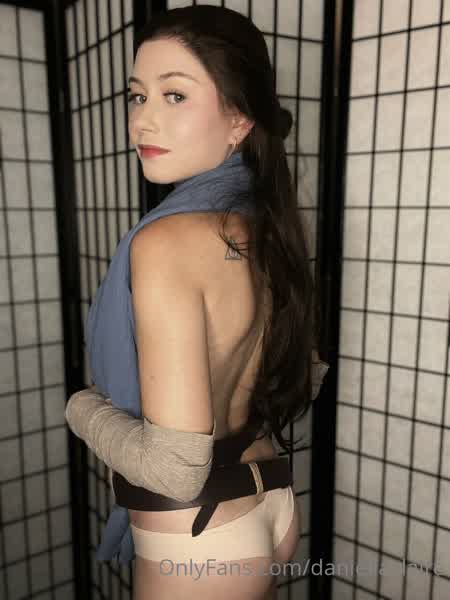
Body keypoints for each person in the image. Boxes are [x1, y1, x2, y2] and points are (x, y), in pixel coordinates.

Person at [65, 5, 329, 599]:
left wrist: (81, 408)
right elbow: (304, 374)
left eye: (175, 95)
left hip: (199, 532)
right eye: (137, 96)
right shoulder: (270, 224)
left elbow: (174, 470)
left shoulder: (167, 243)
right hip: (267, 495)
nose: (142, 120)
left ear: (239, 118)